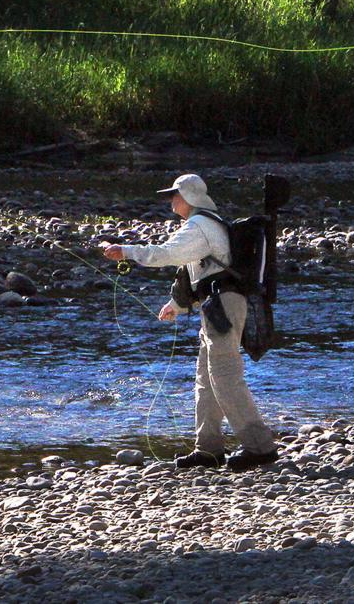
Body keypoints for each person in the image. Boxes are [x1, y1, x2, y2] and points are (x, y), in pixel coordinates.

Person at [101, 173, 280, 470]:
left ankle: (260, 448)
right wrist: (176, 305)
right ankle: (208, 450)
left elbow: (168, 254)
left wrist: (127, 251)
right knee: (206, 379)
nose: (171, 200)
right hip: (215, 306)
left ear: (190, 197)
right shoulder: (204, 225)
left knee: (224, 376)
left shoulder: (200, 226)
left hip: (223, 306)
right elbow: (197, 275)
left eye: (175, 194)